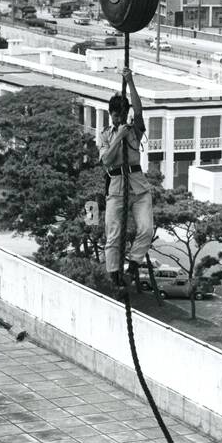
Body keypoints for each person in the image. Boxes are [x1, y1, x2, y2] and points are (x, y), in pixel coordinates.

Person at [97, 68, 153, 288]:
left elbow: (139, 111)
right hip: (117, 187)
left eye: (121, 114)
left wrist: (130, 82)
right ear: (111, 115)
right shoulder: (104, 135)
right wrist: (118, 135)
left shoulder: (134, 131)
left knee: (146, 229)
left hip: (138, 185)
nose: (118, 118)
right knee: (113, 234)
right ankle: (114, 276)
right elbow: (107, 161)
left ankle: (133, 265)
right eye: (115, 114)